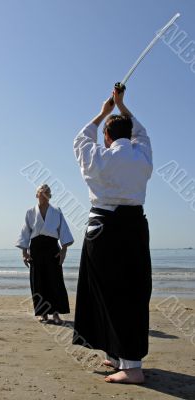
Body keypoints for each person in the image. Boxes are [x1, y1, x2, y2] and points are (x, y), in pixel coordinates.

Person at [72, 88, 153, 384]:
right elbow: (141, 133)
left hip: (103, 228)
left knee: (108, 290)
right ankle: (119, 356)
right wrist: (122, 107)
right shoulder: (141, 155)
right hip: (133, 226)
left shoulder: (98, 157)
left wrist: (105, 110)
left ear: (107, 137)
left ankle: (131, 367)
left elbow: (80, 139)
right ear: (128, 137)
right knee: (131, 289)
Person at [16, 184, 74, 324]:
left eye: (47, 192)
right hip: (36, 249)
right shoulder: (30, 212)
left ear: (50, 195)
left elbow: (64, 232)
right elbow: (25, 233)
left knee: (55, 281)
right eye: (41, 192)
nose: (44, 194)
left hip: (52, 249)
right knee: (38, 281)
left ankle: (55, 314)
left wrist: (63, 251)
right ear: (37, 195)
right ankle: (42, 313)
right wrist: (24, 252)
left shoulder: (57, 211)